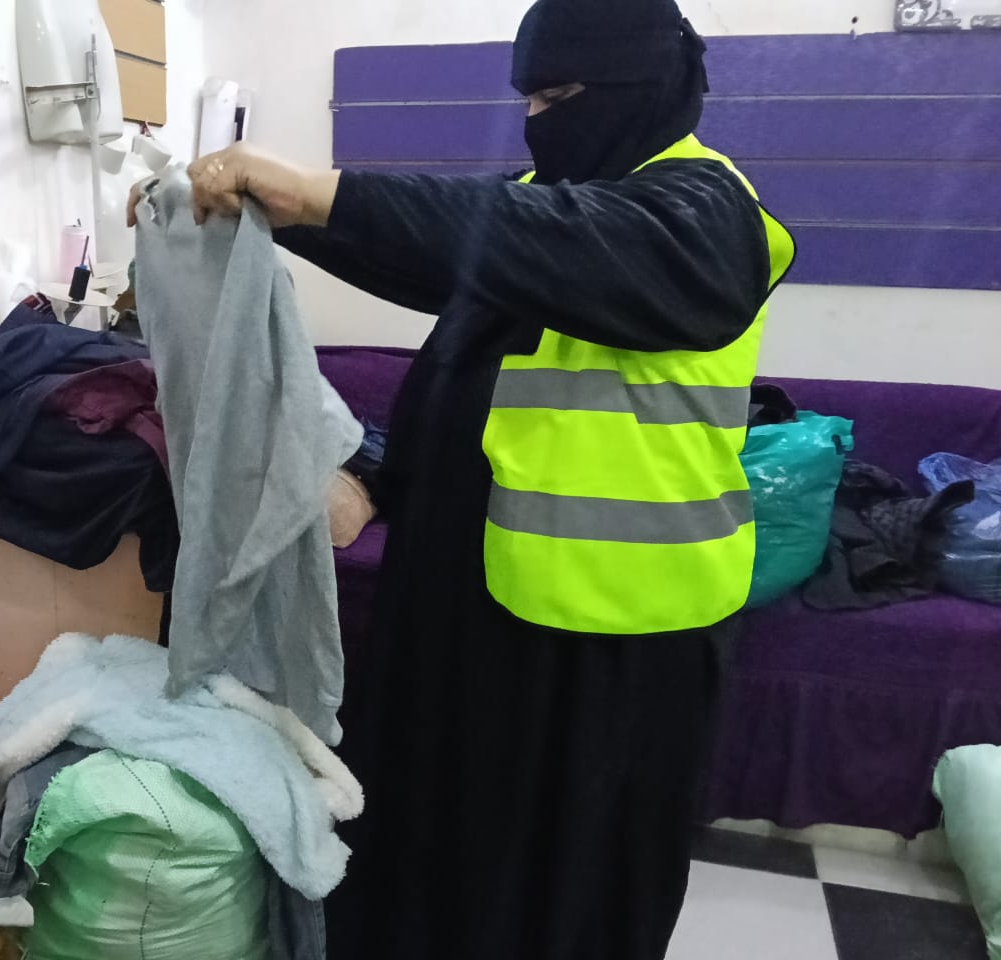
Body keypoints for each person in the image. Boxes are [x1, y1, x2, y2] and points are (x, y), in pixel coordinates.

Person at [130, 0, 794, 956]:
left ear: (642, 86)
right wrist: (274, 216)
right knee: (445, 843)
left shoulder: (708, 214)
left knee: (568, 884)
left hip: (615, 632)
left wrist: (321, 190)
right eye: (529, 99)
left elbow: (541, 239)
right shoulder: (544, 203)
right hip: (476, 598)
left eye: (559, 96)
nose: (537, 120)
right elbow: (447, 264)